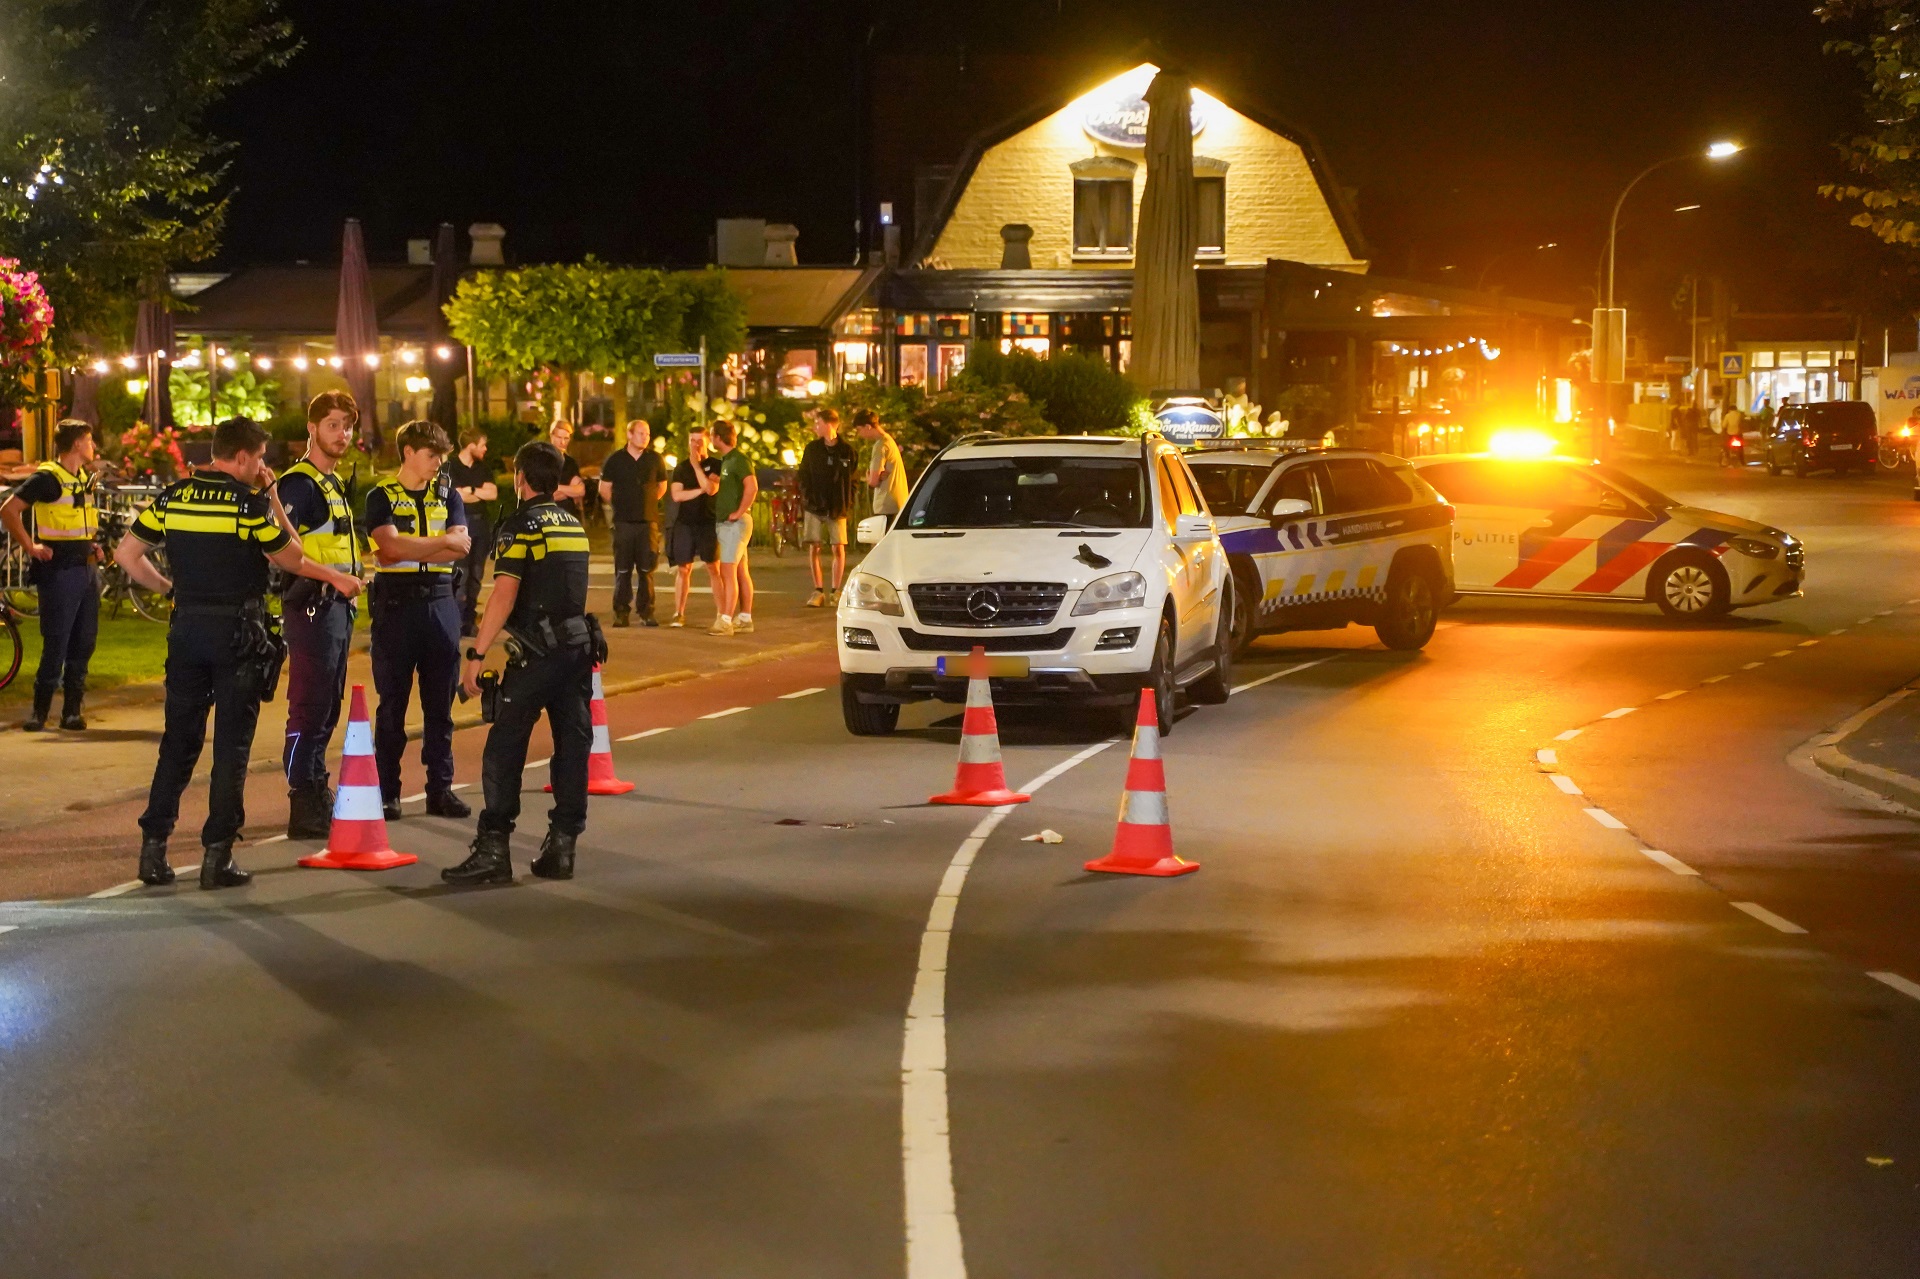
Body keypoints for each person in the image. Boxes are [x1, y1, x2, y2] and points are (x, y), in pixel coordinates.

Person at [117, 417, 362, 889]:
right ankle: (217, 856)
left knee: (178, 742)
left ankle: (153, 850)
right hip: (238, 635)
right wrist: (274, 499)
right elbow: (292, 555)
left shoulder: (172, 497)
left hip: (187, 631)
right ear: (245, 457)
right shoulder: (248, 505)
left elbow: (127, 555)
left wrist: (170, 590)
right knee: (231, 748)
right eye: (261, 458)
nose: (263, 467)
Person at [447, 441, 599, 885]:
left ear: (520, 478)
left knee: (505, 746)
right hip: (577, 650)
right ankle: (562, 847)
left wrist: (476, 654)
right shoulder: (573, 525)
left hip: (537, 654)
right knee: (572, 746)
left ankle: (493, 850)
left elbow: (504, 594)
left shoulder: (521, 525)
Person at [365, 420, 472, 823]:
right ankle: (387, 793)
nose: (438, 463)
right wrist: (441, 542)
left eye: (441, 456)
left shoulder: (448, 494)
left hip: (441, 603)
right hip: (396, 607)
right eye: (431, 455)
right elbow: (387, 547)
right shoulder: (381, 496)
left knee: (440, 706)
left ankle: (440, 790)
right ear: (408, 452)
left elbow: (460, 548)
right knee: (392, 705)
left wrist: (410, 548)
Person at [275, 391, 365, 839]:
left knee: (327, 705)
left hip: (336, 608)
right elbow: (280, 551)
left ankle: (316, 788)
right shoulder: (301, 484)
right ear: (311, 428)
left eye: (347, 426)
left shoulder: (331, 483)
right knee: (310, 707)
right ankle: (303, 799)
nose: (342, 434)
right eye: (333, 424)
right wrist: (333, 578)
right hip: (312, 606)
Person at [1, 419, 101, 731]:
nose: (93, 446)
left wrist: (93, 545)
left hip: (86, 568)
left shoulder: (81, 477)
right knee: (56, 642)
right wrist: (30, 546)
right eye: (89, 440)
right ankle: (39, 712)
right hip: (60, 571)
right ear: (77, 444)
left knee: (84, 642)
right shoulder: (47, 478)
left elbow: (76, 520)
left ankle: (71, 712)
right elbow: (8, 510)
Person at [597, 419, 667, 627]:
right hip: (624, 523)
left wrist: (647, 502)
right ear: (630, 435)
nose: (645, 437)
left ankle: (646, 611)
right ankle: (621, 611)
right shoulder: (615, 460)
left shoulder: (655, 459)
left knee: (647, 569)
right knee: (623, 569)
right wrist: (621, 504)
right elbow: (604, 489)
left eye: (647, 434)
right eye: (641, 433)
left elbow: (662, 486)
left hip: (648, 523)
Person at [797, 407, 856, 607]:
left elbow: (853, 478)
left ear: (829, 424)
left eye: (818, 423)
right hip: (815, 505)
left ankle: (836, 590)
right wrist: (808, 497)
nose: (816, 427)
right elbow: (803, 474)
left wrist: (848, 500)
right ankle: (818, 590)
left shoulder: (847, 451)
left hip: (837, 505)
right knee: (814, 546)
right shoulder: (812, 449)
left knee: (838, 546)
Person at [666, 426, 721, 628]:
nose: (696, 445)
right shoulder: (681, 468)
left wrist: (697, 466)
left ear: (707, 442)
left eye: (699, 440)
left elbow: (712, 488)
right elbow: (677, 495)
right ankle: (678, 612)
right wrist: (700, 490)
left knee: (713, 567)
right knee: (683, 568)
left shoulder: (716, 464)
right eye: (692, 441)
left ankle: (722, 613)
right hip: (685, 523)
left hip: (708, 522)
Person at [446, 428, 498, 637]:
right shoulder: (450, 467)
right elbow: (455, 495)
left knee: (476, 574)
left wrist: (472, 491)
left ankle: (469, 620)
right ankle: (456, 620)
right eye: (482, 445)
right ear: (471, 446)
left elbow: (492, 493)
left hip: (480, 525)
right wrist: (477, 492)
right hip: (459, 525)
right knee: (461, 573)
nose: (485, 449)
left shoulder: (483, 468)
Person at [710, 420, 758, 636]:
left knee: (727, 570)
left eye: (712, 435)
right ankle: (745, 617)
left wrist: (739, 512)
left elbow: (751, 486)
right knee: (739, 570)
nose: (711, 440)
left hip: (734, 525)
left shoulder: (738, 459)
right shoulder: (727, 461)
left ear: (719, 438)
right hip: (731, 523)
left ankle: (726, 619)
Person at [858, 408, 908, 528]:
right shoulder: (889, 441)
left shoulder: (880, 445)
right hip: (899, 501)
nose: (859, 434)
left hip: (885, 504)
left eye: (859, 430)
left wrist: (869, 477)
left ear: (867, 427)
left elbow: (874, 481)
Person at [547, 419, 587, 517]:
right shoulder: (541, 460)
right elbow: (544, 496)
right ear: (551, 436)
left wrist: (558, 488)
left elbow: (580, 491)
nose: (563, 442)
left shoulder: (571, 463)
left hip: (568, 516)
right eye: (559, 437)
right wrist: (570, 492)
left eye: (566, 438)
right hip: (546, 515)